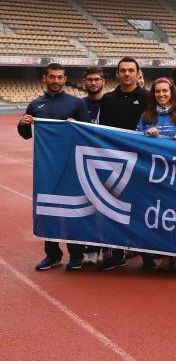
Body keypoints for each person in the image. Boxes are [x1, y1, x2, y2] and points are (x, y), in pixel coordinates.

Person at [17, 63, 90, 271]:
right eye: (52, 77)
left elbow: (88, 132)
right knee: (47, 209)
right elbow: (26, 135)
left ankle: (76, 254)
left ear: (65, 79)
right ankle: (53, 254)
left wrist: (77, 124)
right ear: (44, 78)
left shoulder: (76, 103)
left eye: (59, 77)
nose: (56, 81)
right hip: (46, 166)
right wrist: (23, 124)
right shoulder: (35, 104)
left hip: (71, 164)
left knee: (73, 208)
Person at [98, 57, 151, 272]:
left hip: (143, 163)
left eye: (131, 70)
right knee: (115, 208)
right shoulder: (108, 99)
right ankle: (116, 253)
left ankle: (148, 254)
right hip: (117, 161)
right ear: (118, 74)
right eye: (123, 70)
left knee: (144, 208)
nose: (127, 74)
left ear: (137, 74)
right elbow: (101, 132)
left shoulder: (148, 98)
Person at [136, 78, 176, 271]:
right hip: (152, 173)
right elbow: (134, 140)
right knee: (156, 215)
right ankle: (161, 253)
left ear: (171, 93)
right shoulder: (146, 116)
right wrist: (145, 135)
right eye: (157, 92)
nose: (161, 95)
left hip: (175, 174)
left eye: (165, 91)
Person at [80, 66, 107, 264]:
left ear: (103, 82)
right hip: (86, 161)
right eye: (90, 79)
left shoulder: (111, 103)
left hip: (110, 161)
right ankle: (90, 247)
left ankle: (110, 247)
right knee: (88, 206)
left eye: (97, 79)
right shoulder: (77, 105)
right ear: (84, 82)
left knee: (109, 205)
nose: (93, 83)